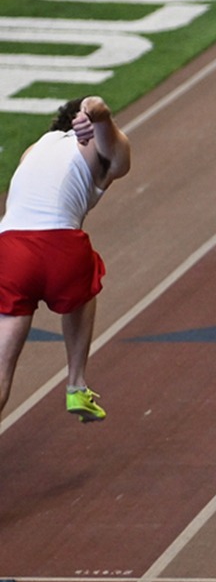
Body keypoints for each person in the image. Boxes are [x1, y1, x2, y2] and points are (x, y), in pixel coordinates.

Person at [0, 96, 130, 421]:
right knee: (86, 285)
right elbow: (117, 151)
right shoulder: (92, 144)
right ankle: (76, 383)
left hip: (9, 250)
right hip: (60, 246)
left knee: (2, 370)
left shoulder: (34, 150)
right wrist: (97, 115)